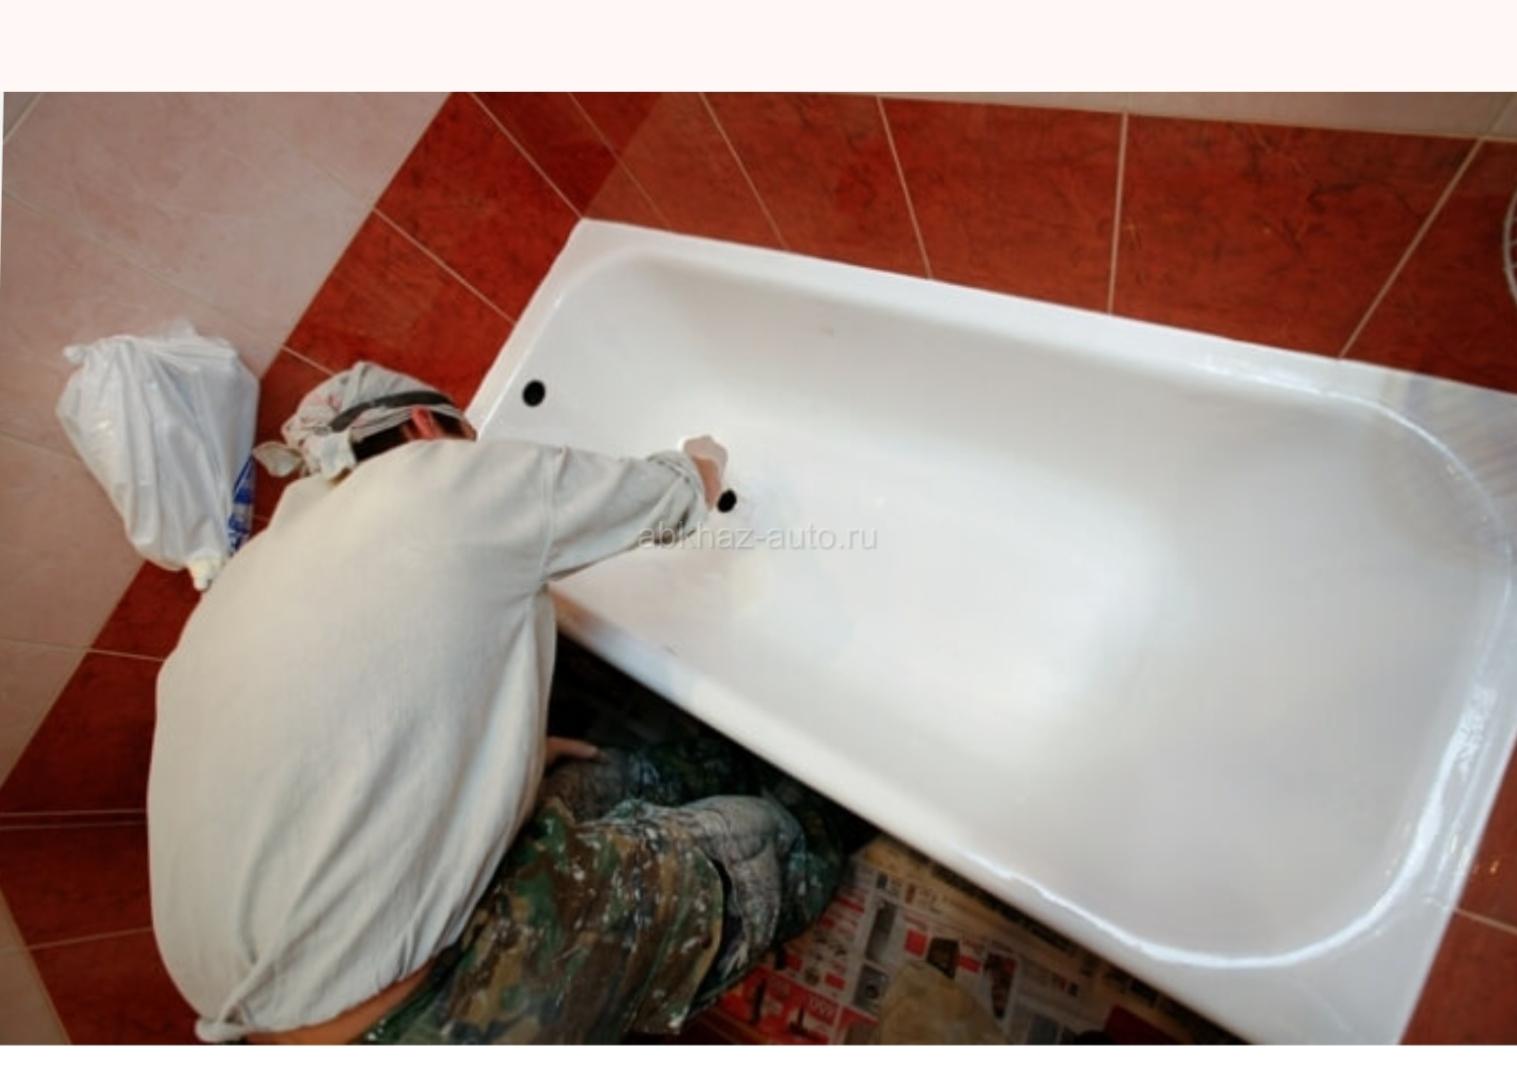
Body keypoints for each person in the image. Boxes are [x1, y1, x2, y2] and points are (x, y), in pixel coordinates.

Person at [146, 361, 867, 1044]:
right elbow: (675, 492)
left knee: (608, 778)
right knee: (764, 842)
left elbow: (351, 724)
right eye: (469, 435)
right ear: (425, 426)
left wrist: (501, 757)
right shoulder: (431, 480)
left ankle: (725, 775)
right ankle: (819, 825)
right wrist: (707, 454)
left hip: (272, 1013)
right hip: (424, 1013)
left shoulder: (250, 574)